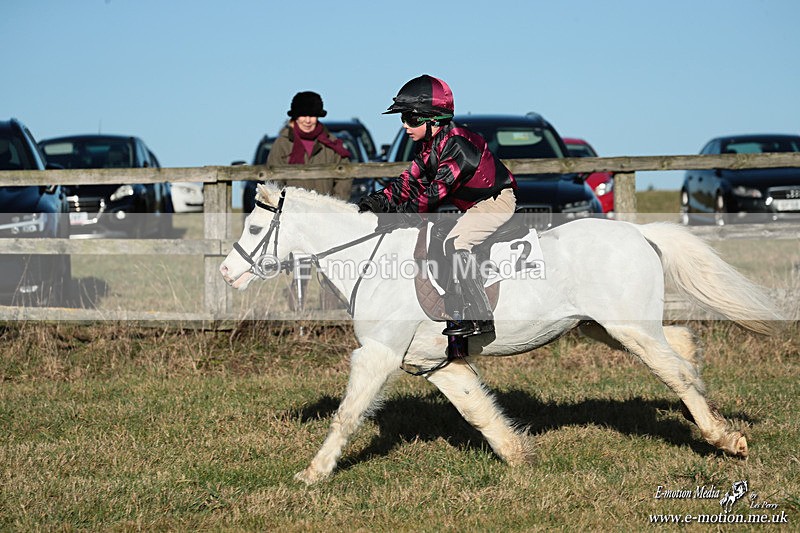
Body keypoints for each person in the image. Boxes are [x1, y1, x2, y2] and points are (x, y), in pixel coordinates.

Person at [357, 75, 518, 337]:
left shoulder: (459, 148)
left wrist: (397, 215)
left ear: (432, 120)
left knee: (456, 243)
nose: (405, 126)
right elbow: (407, 182)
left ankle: (480, 317)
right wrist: (376, 200)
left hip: (495, 201)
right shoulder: (429, 146)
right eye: (403, 119)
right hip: (474, 205)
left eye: (410, 119)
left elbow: (432, 195)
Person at [268, 91, 352, 200]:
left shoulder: (332, 144)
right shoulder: (282, 144)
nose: (307, 120)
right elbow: (274, 180)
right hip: (292, 211)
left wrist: (336, 205)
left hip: (325, 211)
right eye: (303, 115)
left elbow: (344, 177)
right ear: (296, 116)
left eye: (312, 115)